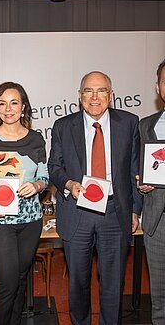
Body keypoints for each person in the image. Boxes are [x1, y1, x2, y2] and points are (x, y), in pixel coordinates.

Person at [48, 71, 142, 325]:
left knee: (113, 284)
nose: (95, 97)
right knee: (78, 283)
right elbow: (54, 167)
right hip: (77, 210)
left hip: (115, 212)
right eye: (88, 91)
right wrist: (69, 183)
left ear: (111, 95)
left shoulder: (130, 123)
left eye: (101, 91)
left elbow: (136, 169)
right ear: (79, 96)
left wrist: (135, 210)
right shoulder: (63, 126)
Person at [0, 81, 49, 325]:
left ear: (23, 106)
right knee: (7, 283)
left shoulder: (36, 140)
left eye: (14, 103)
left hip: (31, 220)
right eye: (2, 104)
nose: (8, 109)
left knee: (20, 278)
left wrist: (37, 186)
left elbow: (44, 177)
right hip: (0, 221)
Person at [137, 59, 165, 325]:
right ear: (158, 87)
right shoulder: (145, 125)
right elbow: (140, 166)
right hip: (157, 222)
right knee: (160, 297)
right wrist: (141, 181)